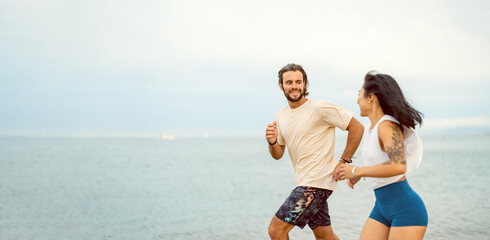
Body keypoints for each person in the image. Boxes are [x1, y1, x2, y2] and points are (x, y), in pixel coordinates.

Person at [265, 63, 364, 240]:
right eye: (289, 82)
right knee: (325, 235)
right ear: (281, 86)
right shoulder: (281, 114)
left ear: (305, 84)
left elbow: (357, 127)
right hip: (305, 182)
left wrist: (344, 161)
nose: (294, 86)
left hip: (316, 183)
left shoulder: (320, 108)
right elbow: (278, 154)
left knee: (276, 230)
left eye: (298, 81)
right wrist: (272, 142)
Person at [337, 71, 428, 240]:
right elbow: (382, 162)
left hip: (405, 210)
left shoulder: (386, 125)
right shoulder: (374, 128)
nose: (357, 100)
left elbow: (398, 165)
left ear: (370, 97)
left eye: (359, 94)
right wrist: (359, 174)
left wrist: (357, 171)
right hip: (381, 208)